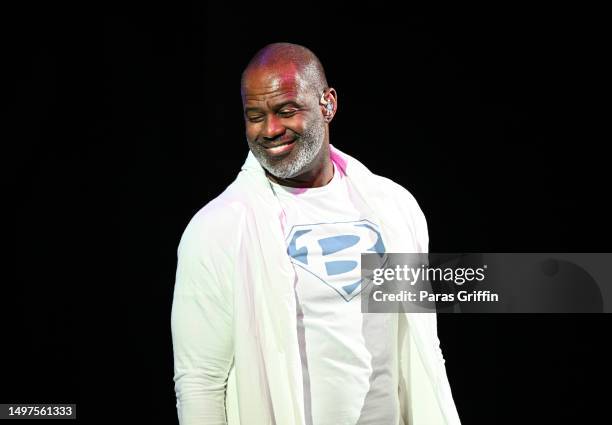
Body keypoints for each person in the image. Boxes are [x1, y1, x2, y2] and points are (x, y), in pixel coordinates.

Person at [171, 42, 461, 425]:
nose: (270, 129)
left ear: (327, 104)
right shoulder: (217, 228)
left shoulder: (394, 207)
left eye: (285, 111)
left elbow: (422, 342)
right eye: (254, 116)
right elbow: (200, 382)